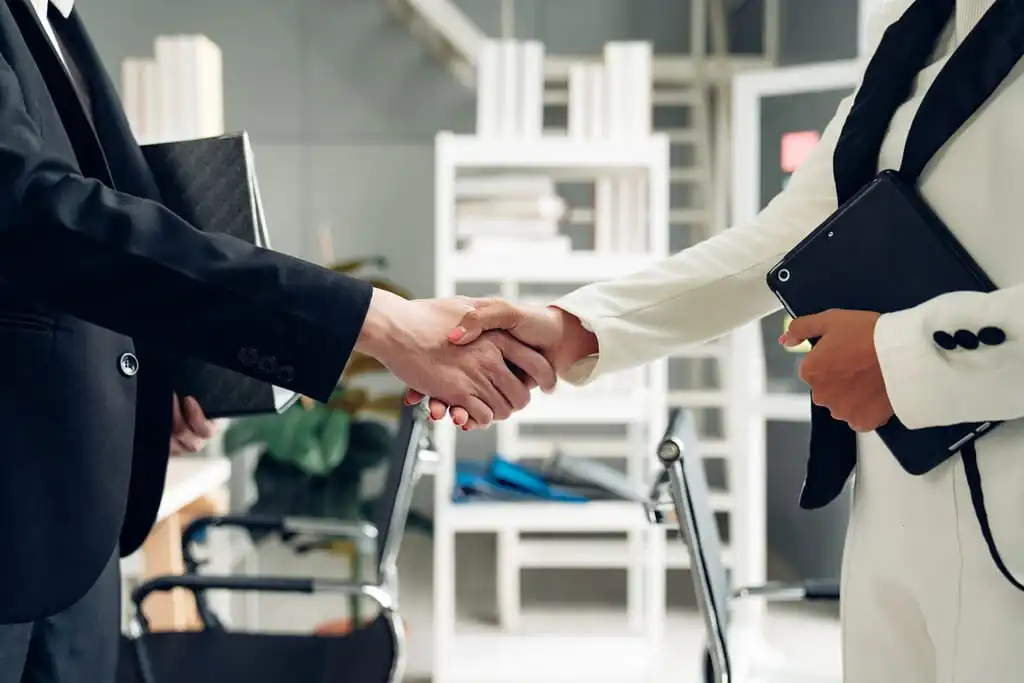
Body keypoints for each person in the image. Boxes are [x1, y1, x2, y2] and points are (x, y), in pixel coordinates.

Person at [410, 0, 1024, 680]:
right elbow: (781, 241)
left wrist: (903, 355)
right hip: (892, 513)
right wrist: (572, 328)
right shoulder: (916, 29)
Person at [0, 1, 552, 681]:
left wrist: (148, 385)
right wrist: (375, 322)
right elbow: (42, 220)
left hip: (77, 526)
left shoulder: (57, 20)